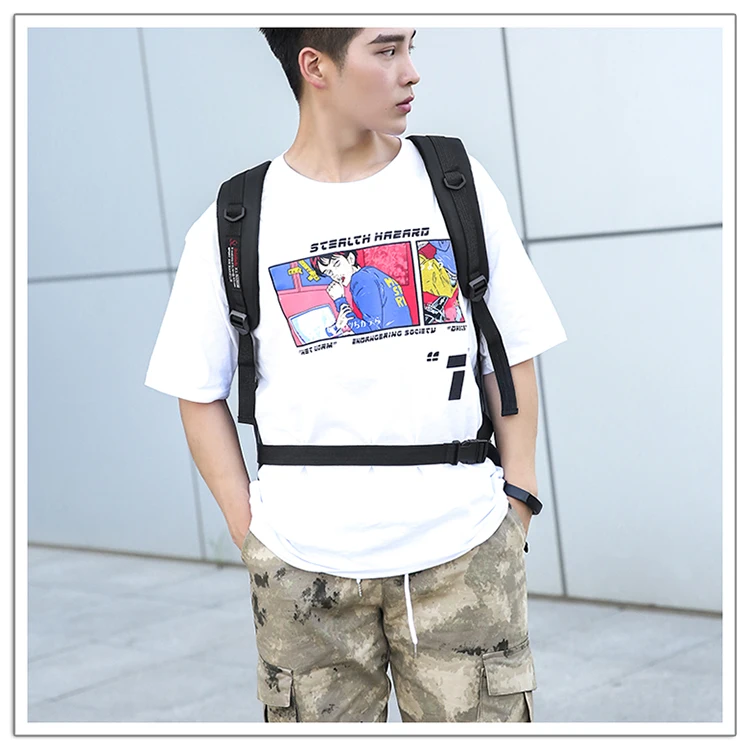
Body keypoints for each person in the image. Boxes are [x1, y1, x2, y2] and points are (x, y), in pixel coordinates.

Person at [145, 27, 567, 723]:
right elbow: (197, 390)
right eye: (387, 50)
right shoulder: (235, 217)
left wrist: (517, 500)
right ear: (316, 66)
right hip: (302, 562)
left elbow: (510, 349)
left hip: (463, 546)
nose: (412, 72)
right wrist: (252, 534)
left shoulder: (453, 180)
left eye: (410, 46)